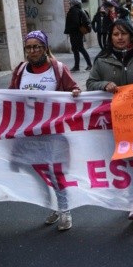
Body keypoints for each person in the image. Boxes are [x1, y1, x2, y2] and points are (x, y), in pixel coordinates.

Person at [9, 31, 81, 231]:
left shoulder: (58, 69)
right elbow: (8, 95)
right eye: (29, 47)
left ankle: (65, 210)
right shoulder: (20, 70)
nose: (32, 51)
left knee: (55, 170)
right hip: (29, 131)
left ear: (45, 48)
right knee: (38, 170)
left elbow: (73, 88)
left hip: (53, 129)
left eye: (36, 46)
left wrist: (74, 92)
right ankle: (54, 207)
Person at [87, 20, 133, 223]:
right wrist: (104, 84)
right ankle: (128, 195)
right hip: (113, 119)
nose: (120, 38)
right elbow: (90, 83)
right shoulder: (102, 60)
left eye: (124, 34)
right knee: (121, 160)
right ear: (110, 37)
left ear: (132, 36)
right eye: (116, 34)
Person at [64, 0, 93, 71]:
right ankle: (77, 66)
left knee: (80, 48)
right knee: (76, 49)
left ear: (73, 3)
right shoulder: (79, 10)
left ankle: (88, 64)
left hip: (75, 33)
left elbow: (75, 22)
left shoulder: (73, 10)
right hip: (78, 32)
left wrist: (71, 29)